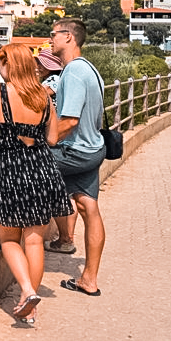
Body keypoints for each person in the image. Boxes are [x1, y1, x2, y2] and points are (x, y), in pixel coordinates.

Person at [0, 44, 73, 323]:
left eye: (1, 63)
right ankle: (29, 306)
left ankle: (27, 290)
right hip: (41, 167)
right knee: (34, 240)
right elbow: (52, 139)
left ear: (9, 65)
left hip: (10, 168)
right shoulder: (43, 95)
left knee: (8, 238)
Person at [45, 18, 107, 298]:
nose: (50, 39)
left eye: (53, 34)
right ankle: (88, 279)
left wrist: (42, 142)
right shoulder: (90, 69)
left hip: (75, 151)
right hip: (93, 149)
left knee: (20, 166)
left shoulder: (72, 72)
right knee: (88, 207)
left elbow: (69, 121)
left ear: (69, 37)